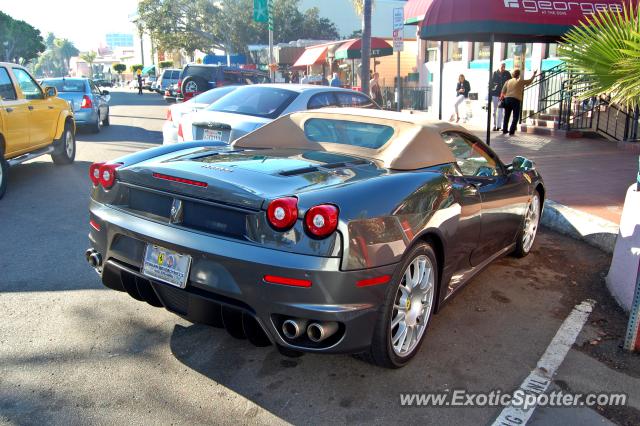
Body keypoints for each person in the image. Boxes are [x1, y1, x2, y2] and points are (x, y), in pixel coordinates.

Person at [501, 69, 538, 135]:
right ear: (519, 74)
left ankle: (504, 130)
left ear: (512, 75)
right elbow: (529, 81)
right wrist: (534, 74)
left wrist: (502, 98)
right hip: (516, 100)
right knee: (515, 116)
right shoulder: (520, 81)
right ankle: (511, 131)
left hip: (507, 99)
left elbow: (503, 91)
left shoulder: (508, 81)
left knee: (506, 116)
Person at [490, 63, 512, 131]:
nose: (503, 68)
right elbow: (490, 83)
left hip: (504, 95)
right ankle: (494, 125)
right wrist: (493, 88)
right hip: (495, 94)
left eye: (504, 67)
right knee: (494, 110)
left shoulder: (507, 73)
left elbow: (510, 82)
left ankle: (500, 126)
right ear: (499, 67)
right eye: (502, 66)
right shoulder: (495, 73)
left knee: (501, 110)